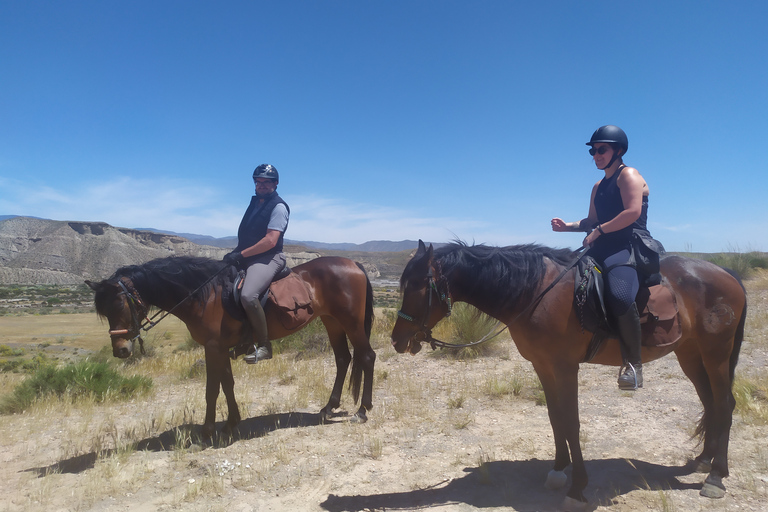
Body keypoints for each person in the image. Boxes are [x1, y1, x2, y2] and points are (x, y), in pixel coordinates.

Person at [551, 125, 661, 390]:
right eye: (593, 150)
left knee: (620, 295)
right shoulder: (598, 186)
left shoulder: (629, 176)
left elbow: (632, 212)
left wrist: (598, 231)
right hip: (601, 246)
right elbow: (591, 220)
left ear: (618, 151)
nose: (596, 155)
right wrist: (568, 226)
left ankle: (633, 365)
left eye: (602, 149)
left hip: (628, 247)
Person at [223, 164, 290, 364]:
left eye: (266, 182)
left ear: (275, 184)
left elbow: (270, 240)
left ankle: (264, 345)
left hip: (268, 258)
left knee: (248, 295)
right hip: (247, 256)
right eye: (258, 181)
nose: (261, 185)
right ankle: (243, 340)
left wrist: (241, 254)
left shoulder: (278, 206)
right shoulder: (255, 203)